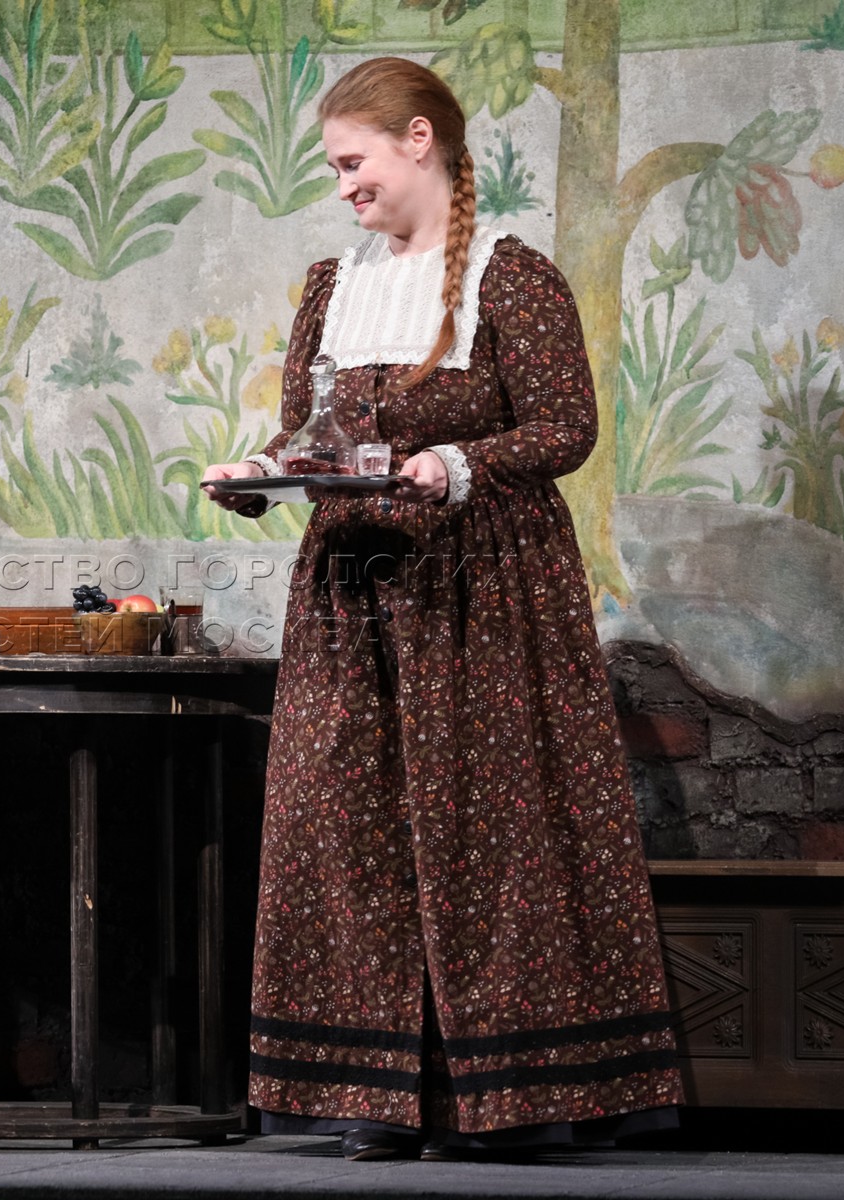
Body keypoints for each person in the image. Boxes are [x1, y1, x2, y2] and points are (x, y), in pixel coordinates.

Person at [203, 58, 682, 1161]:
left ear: (418, 140)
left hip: (484, 588)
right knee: (348, 823)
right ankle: (378, 1093)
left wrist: (458, 464)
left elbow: (564, 427)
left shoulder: (513, 277)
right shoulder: (331, 286)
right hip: (350, 594)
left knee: (488, 827)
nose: (343, 187)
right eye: (336, 169)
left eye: (352, 163)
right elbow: (309, 434)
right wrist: (259, 471)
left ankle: (507, 1097)